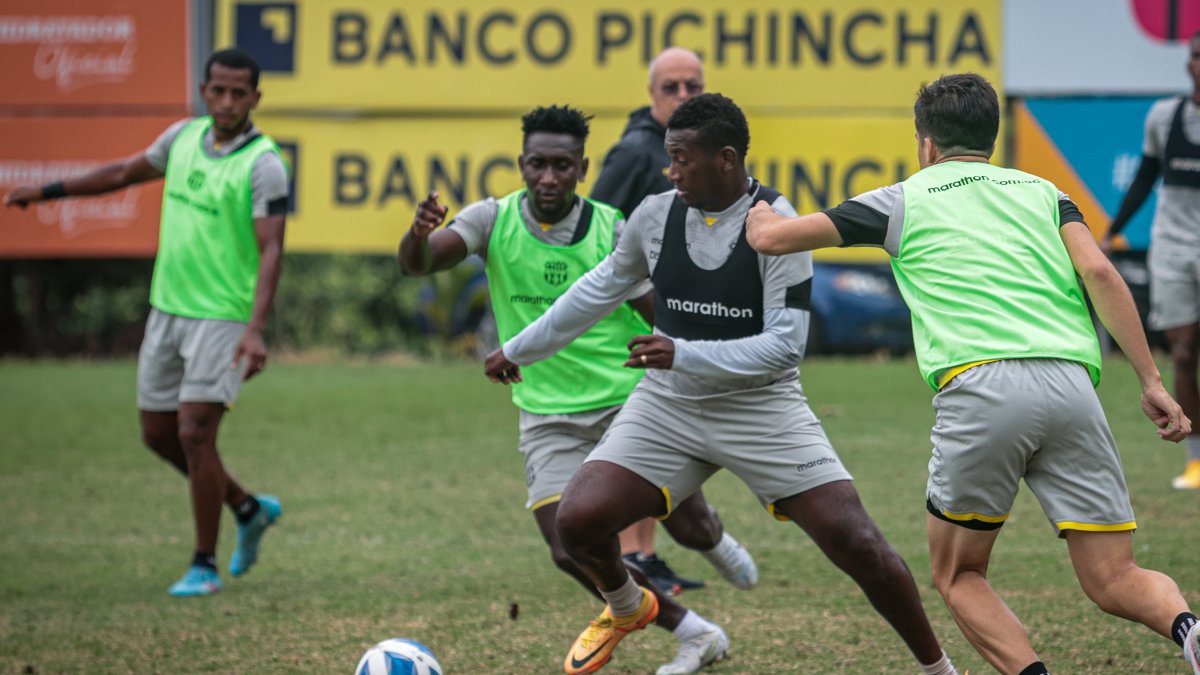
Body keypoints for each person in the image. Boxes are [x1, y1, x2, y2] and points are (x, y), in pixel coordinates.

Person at [485, 94, 959, 675]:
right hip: (669, 405)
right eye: (670, 157)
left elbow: (785, 345)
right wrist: (517, 348)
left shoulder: (777, 224)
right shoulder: (655, 216)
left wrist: (681, 351)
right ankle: (629, 607)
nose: (671, 170)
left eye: (682, 158)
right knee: (577, 521)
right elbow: (600, 287)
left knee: (858, 543)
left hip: (763, 407)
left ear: (726, 159)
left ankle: (940, 669)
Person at [746, 73, 1200, 675]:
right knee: (1116, 575)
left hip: (982, 387)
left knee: (958, 573)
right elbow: (1101, 275)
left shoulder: (902, 199)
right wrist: (1150, 381)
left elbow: (774, 240)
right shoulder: (1044, 191)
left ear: (926, 142)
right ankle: (1190, 628)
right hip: (1071, 386)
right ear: (991, 137)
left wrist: (754, 209)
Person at [399, 104, 758, 675]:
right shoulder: (491, 220)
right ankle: (694, 633)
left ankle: (713, 541)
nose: (548, 177)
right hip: (546, 413)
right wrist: (417, 236)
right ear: (521, 163)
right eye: (537, 164)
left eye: (562, 166)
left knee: (688, 527)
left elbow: (656, 306)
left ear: (582, 168)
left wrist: (702, 357)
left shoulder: (611, 227)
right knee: (569, 550)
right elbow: (419, 265)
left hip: (627, 403)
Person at [3, 48, 288, 597]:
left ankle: (203, 564)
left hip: (222, 318)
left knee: (195, 432)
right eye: (218, 90)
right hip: (168, 308)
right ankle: (248, 509)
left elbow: (271, 249)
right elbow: (121, 173)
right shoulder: (181, 138)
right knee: (158, 435)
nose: (227, 101)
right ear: (204, 91)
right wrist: (48, 192)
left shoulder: (264, 163)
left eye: (239, 93)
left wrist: (255, 327)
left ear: (255, 98)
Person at [591, 45, 708, 595]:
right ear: (651, 94)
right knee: (643, 440)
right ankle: (633, 554)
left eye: (693, 86)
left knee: (660, 439)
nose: (683, 95)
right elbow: (595, 225)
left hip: (677, 319)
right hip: (635, 322)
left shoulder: (700, 150)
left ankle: (644, 554)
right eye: (672, 87)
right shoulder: (635, 153)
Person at [1103, 30, 1200, 490]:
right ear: (1188, 63)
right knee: (1182, 352)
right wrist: (1112, 232)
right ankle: (1196, 459)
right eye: (1198, 55)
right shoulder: (1164, 117)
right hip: (1174, 248)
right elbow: (1143, 179)